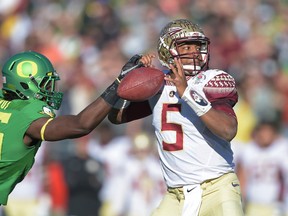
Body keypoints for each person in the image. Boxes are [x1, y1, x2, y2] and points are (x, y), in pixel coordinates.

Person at [108, 19, 244, 216]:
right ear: (167, 52)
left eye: (198, 46)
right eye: (186, 47)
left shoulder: (211, 80)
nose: (195, 52)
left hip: (217, 188)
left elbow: (228, 130)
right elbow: (116, 116)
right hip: (176, 195)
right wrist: (131, 78)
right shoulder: (157, 83)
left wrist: (187, 93)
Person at [0, 50, 141, 205]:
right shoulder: (28, 114)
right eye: (46, 84)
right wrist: (117, 84)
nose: (51, 89)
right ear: (26, 84)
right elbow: (81, 125)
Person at [236, 120, 288, 216]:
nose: (265, 135)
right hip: (254, 203)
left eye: (268, 131)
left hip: (276, 204)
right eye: (263, 131)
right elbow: (242, 177)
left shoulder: (282, 148)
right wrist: (241, 200)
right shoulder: (248, 150)